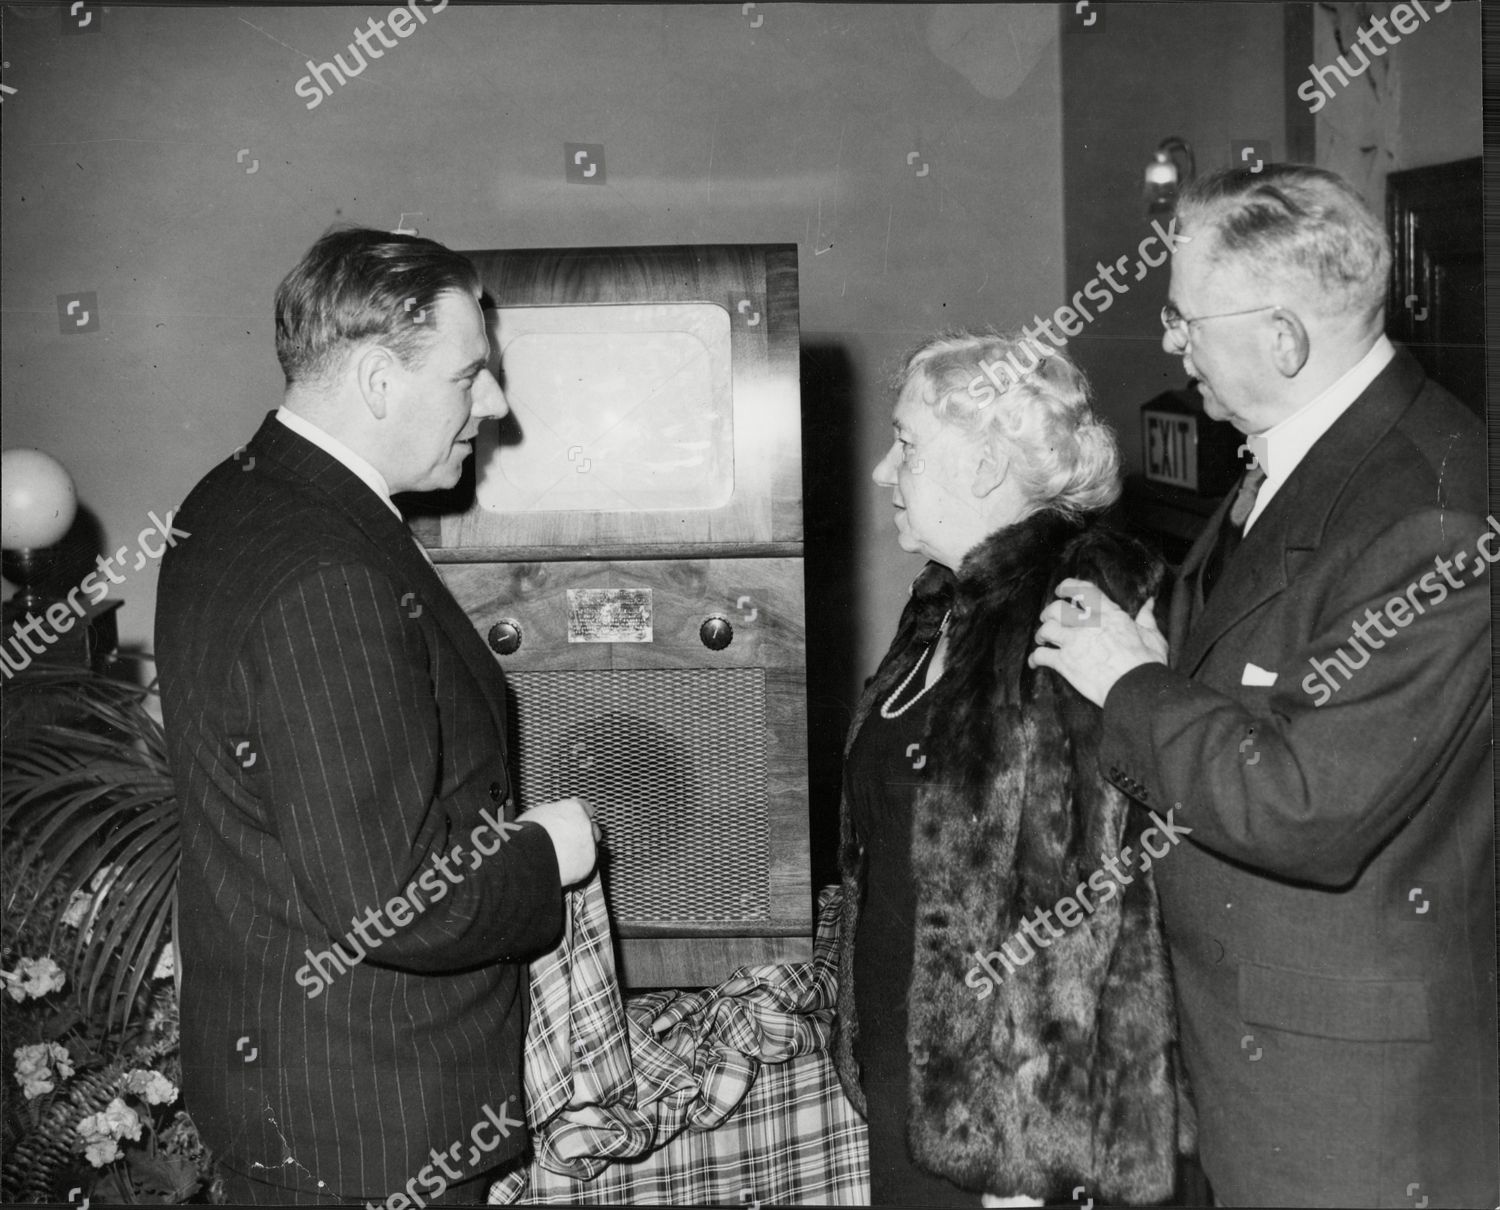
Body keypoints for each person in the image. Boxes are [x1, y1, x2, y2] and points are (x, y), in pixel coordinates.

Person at [1032, 165, 1499, 1206]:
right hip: (1247, 1038)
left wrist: (1134, 682)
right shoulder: (1308, 455)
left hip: (1342, 1091)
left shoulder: (1431, 514)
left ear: (1282, 339)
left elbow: (1305, 805)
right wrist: (1168, 661)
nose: (1170, 343)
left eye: (1185, 318)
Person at [155, 227, 598, 1204]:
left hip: (289, 1081)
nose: (495, 404)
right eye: (469, 374)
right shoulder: (333, 573)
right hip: (370, 1124)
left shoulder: (229, 496)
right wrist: (547, 853)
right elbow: (392, 900)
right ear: (376, 379)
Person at [830, 329, 1191, 1207]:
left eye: (907, 444)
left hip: (998, 1129)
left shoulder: (1065, 615)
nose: (884, 471)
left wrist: (1029, 1168)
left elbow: (1080, 912)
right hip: (918, 1078)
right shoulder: (952, 601)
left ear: (988, 466)